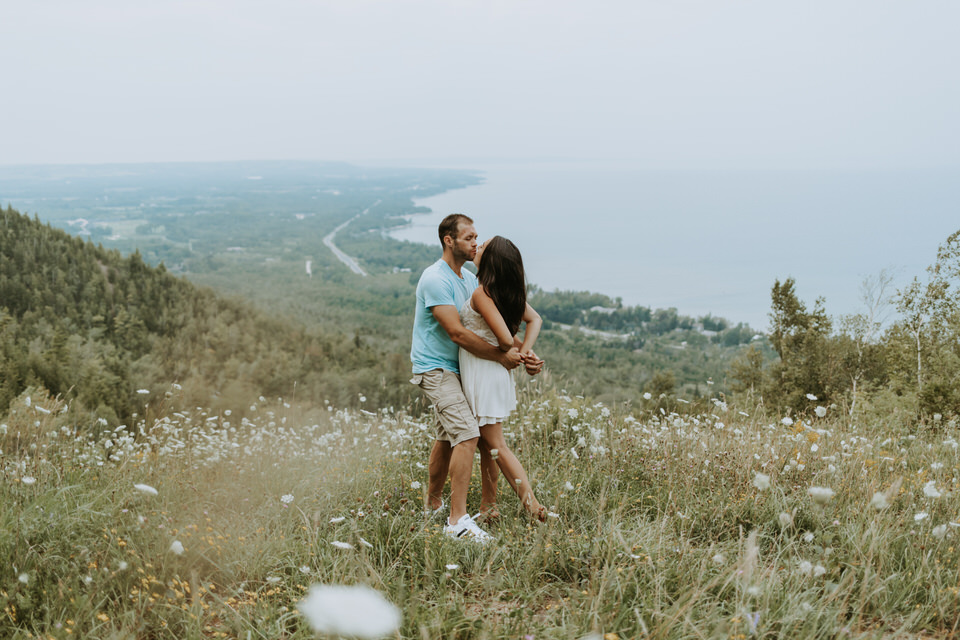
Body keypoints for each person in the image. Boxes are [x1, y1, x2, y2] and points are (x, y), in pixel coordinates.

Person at [410, 214, 543, 543]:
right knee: (469, 434)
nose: (475, 243)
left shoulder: (470, 279)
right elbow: (456, 332)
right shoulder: (434, 279)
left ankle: (433, 504)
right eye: (469, 238)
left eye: (477, 238)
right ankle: (457, 521)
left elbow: (496, 323)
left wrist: (524, 353)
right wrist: (503, 356)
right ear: (449, 240)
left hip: (462, 370)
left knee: (447, 438)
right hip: (437, 368)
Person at [459, 236, 547, 522]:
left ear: (490, 261)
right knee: (487, 444)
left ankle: (533, 507)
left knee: (496, 443)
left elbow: (504, 339)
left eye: (482, 247)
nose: (477, 248)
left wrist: (518, 349)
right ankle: (489, 507)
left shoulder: (482, 294)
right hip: (489, 372)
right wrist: (527, 350)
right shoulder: (502, 293)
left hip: (483, 372)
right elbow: (535, 320)